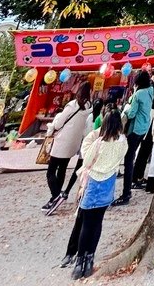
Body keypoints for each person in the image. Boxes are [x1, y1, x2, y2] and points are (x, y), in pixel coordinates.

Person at [60, 107, 129, 279]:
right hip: (109, 184)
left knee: (86, 223)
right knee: (97, 223)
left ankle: (80, 262)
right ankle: (89, 258)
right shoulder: (123, 142)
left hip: (93, 182)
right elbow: (123, 155)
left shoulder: (98, 143)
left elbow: (87, 158)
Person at [43, 82, 92, 213]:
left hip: (62, 142)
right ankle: (57, 194)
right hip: (73, 143)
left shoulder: (72, 106)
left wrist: (53, 127)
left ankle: (56, 195)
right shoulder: (88, 107)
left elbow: (58, 124)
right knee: (62, 169)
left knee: (51, 171)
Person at [113, 69, 153, 206]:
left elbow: (131, 114)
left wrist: (126, 108)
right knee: (132, 156)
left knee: (128, 159)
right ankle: (129, 187)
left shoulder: (138, 94)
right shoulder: (150, 91)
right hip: (144, 128)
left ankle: (126, 193)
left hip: (134, 129)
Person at [60, 100, 103, 204]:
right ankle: (81, 194)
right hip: (93, 149)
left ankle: (68, 191)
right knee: (87, 173)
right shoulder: (99, 119)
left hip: (85, 147)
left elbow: (84, 131)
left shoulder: (89, 117)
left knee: (79, 170)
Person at [133, 61, 154, 189]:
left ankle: (138, 175)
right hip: (148, 120)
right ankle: (136, 177)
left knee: (144, 149)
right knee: (144, 149)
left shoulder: (152, 85)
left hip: (149, 119)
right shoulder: (151, 86)